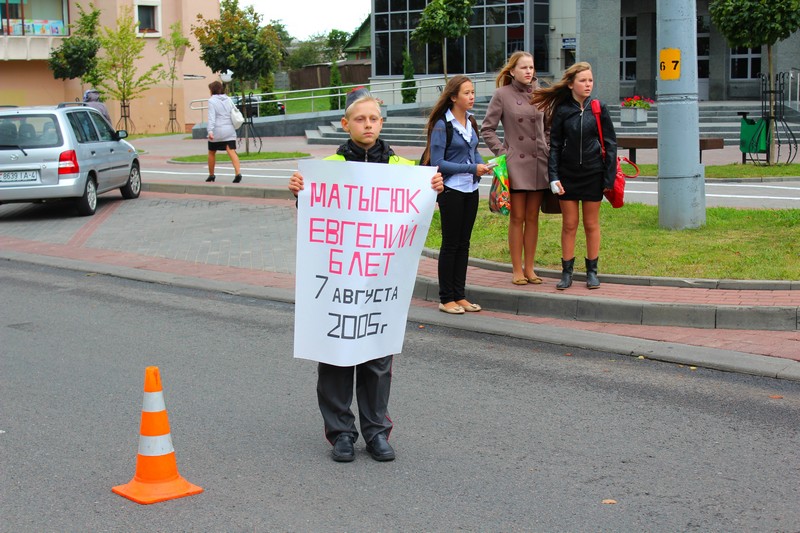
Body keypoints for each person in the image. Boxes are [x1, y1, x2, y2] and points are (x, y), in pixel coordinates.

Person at [288, 88, 444, 463]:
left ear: (381, 123)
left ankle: (376, 432)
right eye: (360, 119)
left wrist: (432, 190)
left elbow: (414, 213)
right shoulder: (326, 169)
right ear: (346, 124)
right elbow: (316, 212)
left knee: (376, 359)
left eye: (374, 118)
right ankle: (341, 433)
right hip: (339, 284)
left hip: (379, 285)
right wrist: (299, 192)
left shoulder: (405, 172)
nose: (368, 124)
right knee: (337, 356)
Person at [531, 62, 617, 290]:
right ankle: (566, 273)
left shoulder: (599, 107)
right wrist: (553, 176)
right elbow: (555, 146)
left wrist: (608, 179)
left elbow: (610, 143)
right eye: (582, 80)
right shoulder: (562, 110)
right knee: (569, 225)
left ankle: (592, 273)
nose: (587, 84)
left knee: (591, 224)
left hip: (593, 174)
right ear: (570, 84)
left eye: (590, 80)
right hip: (567, 176)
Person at [423, 75, 493, 315]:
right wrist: (472, 168)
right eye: (466, 93)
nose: (471, 97)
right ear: (453, 97)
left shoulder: (471, 121)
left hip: (470, 189)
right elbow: (439, 162)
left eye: (472, 92)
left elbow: (474, 150)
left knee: (464, 244)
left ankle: (459, 295)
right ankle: (446, 298)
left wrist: (485, 165)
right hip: (451, 189)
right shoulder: (443, 125)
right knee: (451, 244)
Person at [481, 51, 551, 286]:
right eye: (523, 68)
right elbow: (487, 129)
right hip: (516, 164)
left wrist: (548, 147)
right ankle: (516, 270)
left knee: (533, 217)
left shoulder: (541, 94)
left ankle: (530, 268)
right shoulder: (502, 94)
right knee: (517, 217)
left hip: (539, 162)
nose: (529, 71)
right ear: (512, 71)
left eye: (531, 67)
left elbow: (549, 126)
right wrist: (504, 153)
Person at [206, 80, 242, 184]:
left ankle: (211, 175)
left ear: (212, 90)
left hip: (217, 130)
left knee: (212, 152)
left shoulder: (212, 101)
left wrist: (210, 131)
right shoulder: (228, 99)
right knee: (231, 151)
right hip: (229, 130)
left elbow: (211, 117)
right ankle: (237, 173)